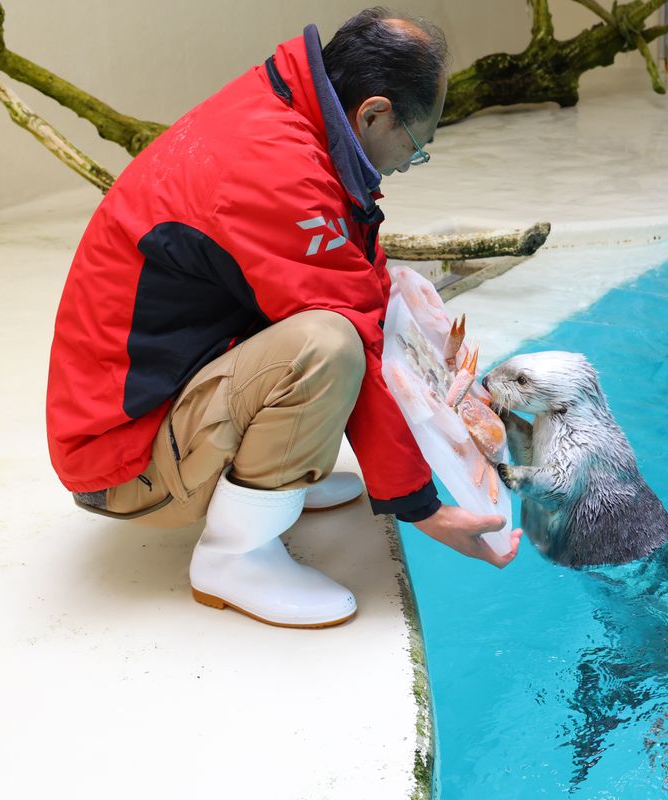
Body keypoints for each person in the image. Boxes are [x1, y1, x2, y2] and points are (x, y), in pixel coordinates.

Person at [45, 8, 522, 630]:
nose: (409, 162)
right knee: (329, 344)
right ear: (373, 114)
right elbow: (354, 325)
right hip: (123, 460)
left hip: (162, 396)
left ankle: (268, 481)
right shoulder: (274, 172)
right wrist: (423, 508)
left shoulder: (287, 111)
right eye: (416, 145)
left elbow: (363, 281)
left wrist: (455, 396)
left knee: (373, 301)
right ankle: (235, 555)